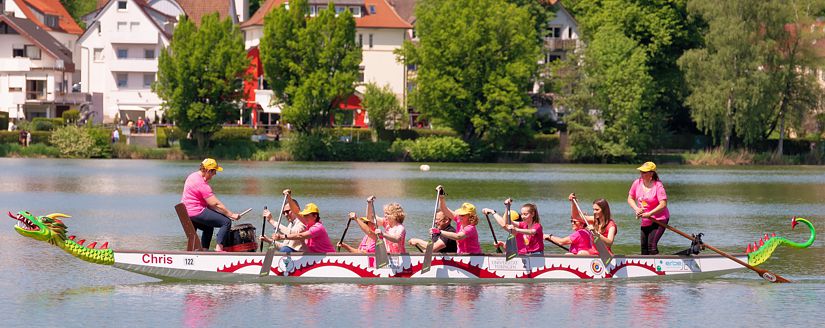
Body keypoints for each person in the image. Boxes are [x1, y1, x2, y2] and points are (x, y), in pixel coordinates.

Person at [181, 158, 241, 251]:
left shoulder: (192, 176)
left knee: (208, 226)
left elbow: (210, 205)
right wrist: (231, 214)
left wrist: (223, 213)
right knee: (226, 222)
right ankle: (219, 249)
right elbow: (215, 204)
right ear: (208, 171)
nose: (215, 174)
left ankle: (204, 251)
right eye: (214, 172)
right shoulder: (201, 184)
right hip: (196, 211)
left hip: (186, 213)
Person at [627, 161, 670, 255]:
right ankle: (646, 264)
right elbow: (630, 198)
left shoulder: (658, 186)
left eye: (644, 172)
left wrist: (650, 213)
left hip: (659, 219)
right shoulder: (637, 183)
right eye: (641, 171)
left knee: (651, 246)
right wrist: (636, 209)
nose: (641, 174)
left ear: (651, 173)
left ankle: (658, 263)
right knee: (644, 247)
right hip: (646, 219)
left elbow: (663, 204)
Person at [432, 186, 481, 254]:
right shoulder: (459, 220)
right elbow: (444, 209)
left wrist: (439, 232)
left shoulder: (470, 228)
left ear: (470, 217)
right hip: (461, 255)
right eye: (460, 214)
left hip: (473, 256)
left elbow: (458, 236)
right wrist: (441, 196)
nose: (460, 216)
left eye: (463, 215)